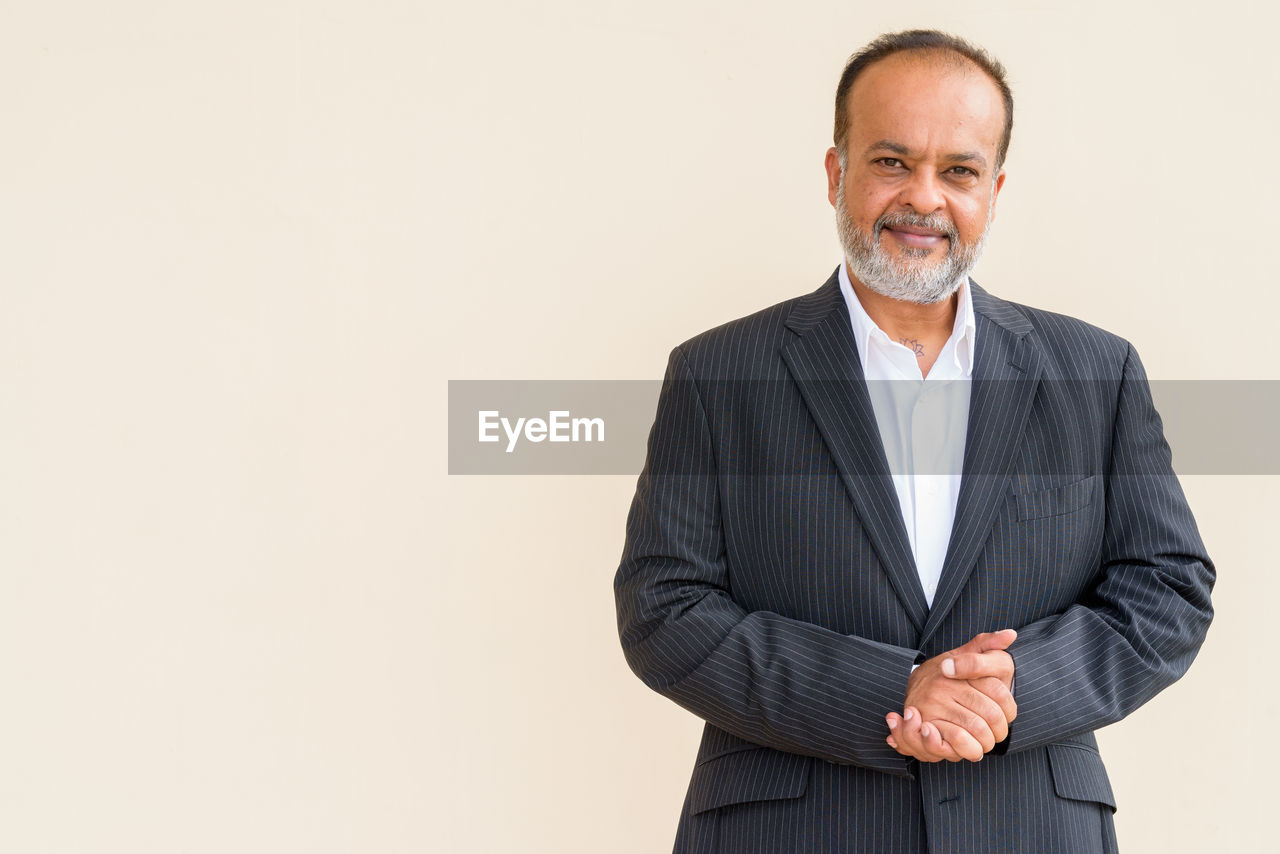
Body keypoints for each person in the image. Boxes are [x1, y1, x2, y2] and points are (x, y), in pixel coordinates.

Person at [613, 29, 1214, 854]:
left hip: (1031, 827)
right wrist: (889, 693)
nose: (924, 199)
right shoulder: (718, 373)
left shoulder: (1095, 371)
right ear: (837, 172)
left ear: (995, 190)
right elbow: (664, 609)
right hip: (787, 830)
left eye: (958, 171)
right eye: (892, 162)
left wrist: (1008, 693)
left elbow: (1167, 588)